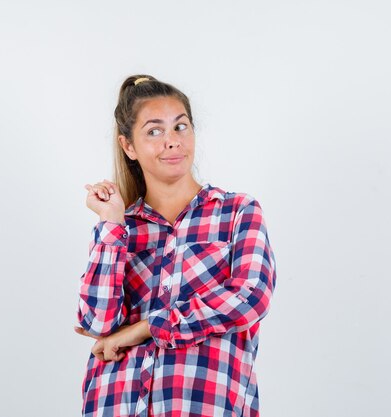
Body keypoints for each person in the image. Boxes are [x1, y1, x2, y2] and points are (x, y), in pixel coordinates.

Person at [73, 74, 277, 417]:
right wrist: (110, 223)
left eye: (180, 127)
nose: (172, 141)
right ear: (129, 147)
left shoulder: (237, 212)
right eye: (154, 131)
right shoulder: (122, 228)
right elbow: (97, 322)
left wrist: (147, 327)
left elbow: (250, 298)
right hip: (115, 402)